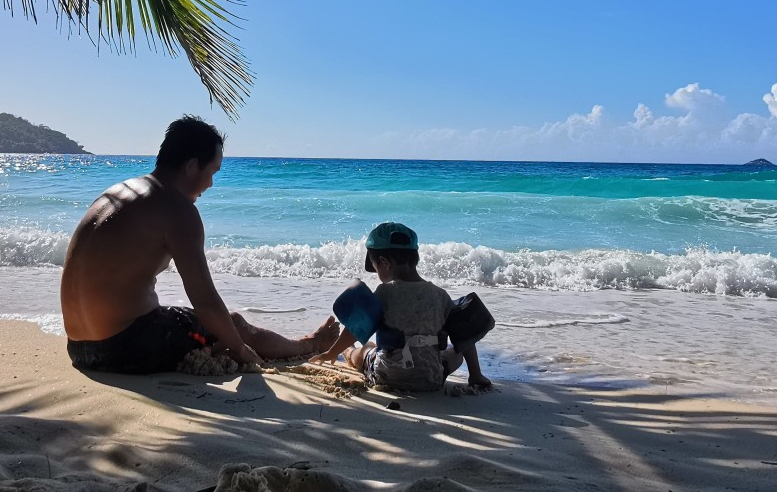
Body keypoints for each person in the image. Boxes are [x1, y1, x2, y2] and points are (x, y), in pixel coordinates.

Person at [61, 115, 339, 374]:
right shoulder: (177, 209)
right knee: (234, 324)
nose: (211, 184)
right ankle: (308, 346)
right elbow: (205, 301)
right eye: (213, 171)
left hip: (78, 347)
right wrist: (239, 349)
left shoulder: (116, 194)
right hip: (123, 348)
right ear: (192, 165)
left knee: (204, 323)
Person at [310, 222, 492, 391]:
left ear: (385, 263)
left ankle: (349, 353)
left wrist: (331, 352)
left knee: (367, 349)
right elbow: (465, 337)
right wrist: (475, 375)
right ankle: (476, 376)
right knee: (455, 353)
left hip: (388, 375)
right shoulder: (440, 295)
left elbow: (356, 328)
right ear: (416, 258)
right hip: (431, 378)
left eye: (376, 267)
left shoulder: (384, 293)